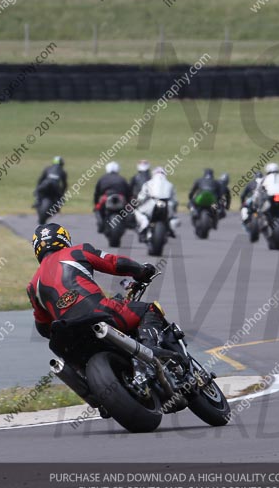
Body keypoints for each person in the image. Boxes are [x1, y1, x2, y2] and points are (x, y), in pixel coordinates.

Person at [27, 223, 176, 414]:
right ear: (64, 239)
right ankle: (149, 354)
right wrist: (142, 270)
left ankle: (97, 394)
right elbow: (115, 263)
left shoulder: (32, 286)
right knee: (150, 309)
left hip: (65, 335)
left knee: (73, 358)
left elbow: (42, 327)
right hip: (99, 312)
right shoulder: (77, 252)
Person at [135, 166, 179, 240]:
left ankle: (144, 223)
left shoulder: (148, 183)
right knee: (173, 217)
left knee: (138, 211)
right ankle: (171, 229)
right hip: (167, 204)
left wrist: (138, 203)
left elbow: (141, 197)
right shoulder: (170, 184)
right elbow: (174, 200)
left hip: (153, 202)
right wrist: (173, 209)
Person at [93, 161, 131, 233]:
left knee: (97, 209)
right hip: (119, 199)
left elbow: (97, 193)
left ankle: (101, 225)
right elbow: (128, 192)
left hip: (107, 198)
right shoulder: (122, 179)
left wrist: (96, 204)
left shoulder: (102, 178)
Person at [34, 156, 68, 221]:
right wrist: (62, 194)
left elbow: (40, 180)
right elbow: (64, 185)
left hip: (45, 185)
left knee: (38, 192)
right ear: (62, 164)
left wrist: (37, 188)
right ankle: (57, 209)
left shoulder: (47, 168)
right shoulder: (63, 172)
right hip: (55, 187)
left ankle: (37, 202)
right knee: (60, 201)